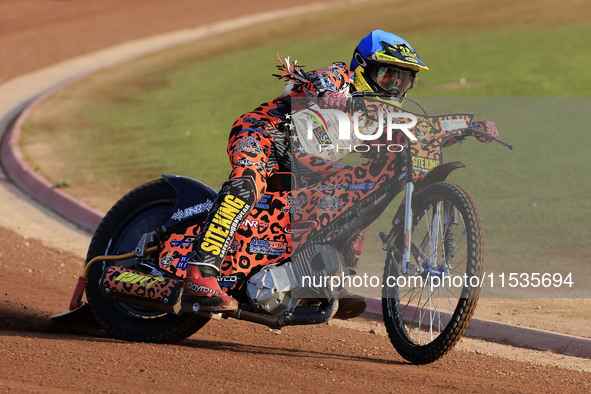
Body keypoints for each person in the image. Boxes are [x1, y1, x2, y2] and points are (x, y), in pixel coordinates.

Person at [180, 30, 433, 314]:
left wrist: (468, 127)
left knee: (359, 190)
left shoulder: (376, 119)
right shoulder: (341, 76)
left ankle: (333, 277)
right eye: (388, 77)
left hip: (302, 161)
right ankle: (200, 272)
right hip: (263, 132)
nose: (393, 89)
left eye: (403, 81)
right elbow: (320, 79)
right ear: (363, 67)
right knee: (247, 184)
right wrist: (330, 94)